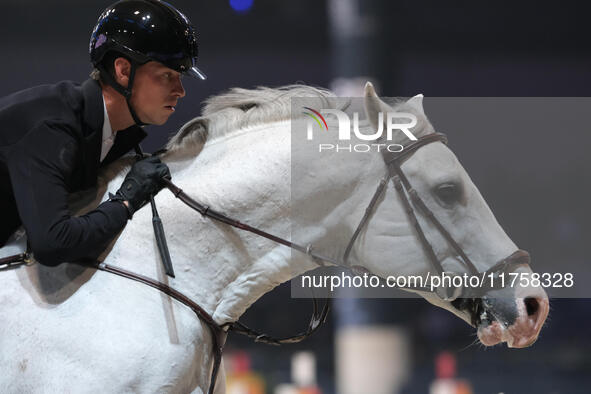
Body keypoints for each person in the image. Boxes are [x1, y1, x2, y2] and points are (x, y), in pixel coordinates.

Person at [0, 0, 206, 266]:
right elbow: (52, 244)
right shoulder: (52, 127)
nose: (181, 90)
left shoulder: (109, 132)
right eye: (167, 75)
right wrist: (126, 202)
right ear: (123, 71)